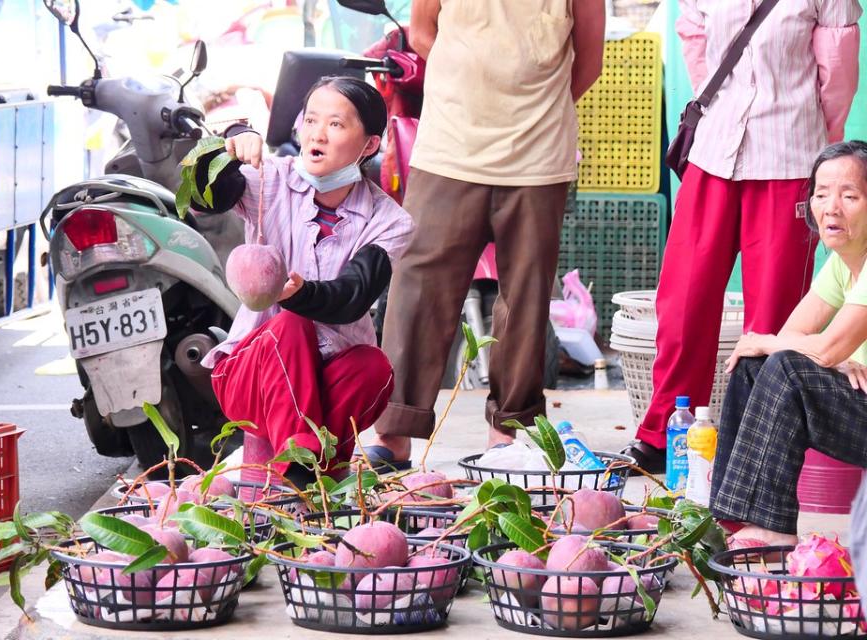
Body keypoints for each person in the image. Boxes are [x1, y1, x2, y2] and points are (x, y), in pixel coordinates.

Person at [359, 0, 606, 468]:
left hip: (538, 152)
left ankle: (509, 432)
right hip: (449, 144)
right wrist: (471, 85)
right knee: (418, 283)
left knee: (527, 291)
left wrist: (534, 107)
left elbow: (588, 61)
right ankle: (394, 431)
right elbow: (421, 33)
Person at [623, 0, 862, 473]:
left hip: (789, 154)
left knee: (771, 318)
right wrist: (721, 109)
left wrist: (817, 138)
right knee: (683, 303)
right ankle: (664, 431)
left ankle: (746, 447)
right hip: (713, 152)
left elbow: (836, 73)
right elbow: (692, 35)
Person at [195, 76, 414, 486]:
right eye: (311, 120)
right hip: (248, 374)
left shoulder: (389, 221)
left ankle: (308, 476)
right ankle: (301, 460)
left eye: (335, 124)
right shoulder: (268, 178)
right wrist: (230, 144)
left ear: (368, 145)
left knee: (374, 367)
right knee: (292, 325)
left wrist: (301, 293)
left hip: (329, 379)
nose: (317, 134)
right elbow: (206, 196)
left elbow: (353, 295)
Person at [712, 141, 867, 546]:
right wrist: (830, 358)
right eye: (821, 194)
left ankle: (774, 529)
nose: (831, 207)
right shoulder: (842, 262)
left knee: (781, 365)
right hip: (857, 394)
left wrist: (825, 354)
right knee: (753, 365)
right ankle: (727, 517)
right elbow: (792, 337)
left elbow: (821, 348)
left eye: (849, 196)